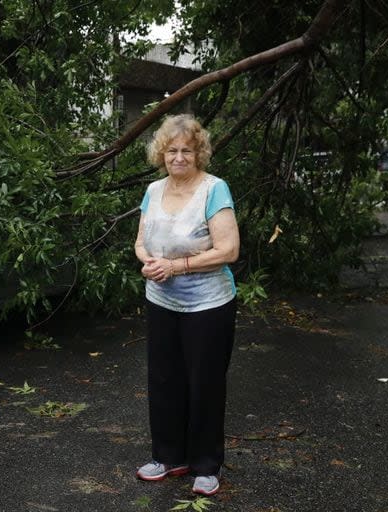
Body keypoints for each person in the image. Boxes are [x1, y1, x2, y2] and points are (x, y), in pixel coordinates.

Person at [133, 114, 239, 496]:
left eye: (187, 151)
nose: (179, 158)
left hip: (208, 305)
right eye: (172, 151)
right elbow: (141, 242)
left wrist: (176, 265)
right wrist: (148, 261)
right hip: (162, 300)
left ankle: (206, 465)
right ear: (162, 154)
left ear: (199, 154)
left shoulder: (214, 190)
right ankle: (168, 457)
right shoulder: (153, 190)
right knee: (163, 380)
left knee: (205, 384)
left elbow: (229, 250)